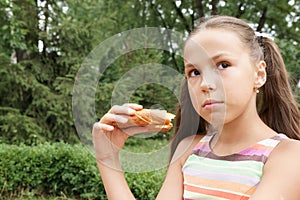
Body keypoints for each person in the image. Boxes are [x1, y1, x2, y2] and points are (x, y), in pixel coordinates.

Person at [92, 15, 300, 199]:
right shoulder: (189, 150)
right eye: (194, 72)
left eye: (223, 65)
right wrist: (107, 158)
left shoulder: (288, 157)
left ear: (259, 74)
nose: (205, 84)